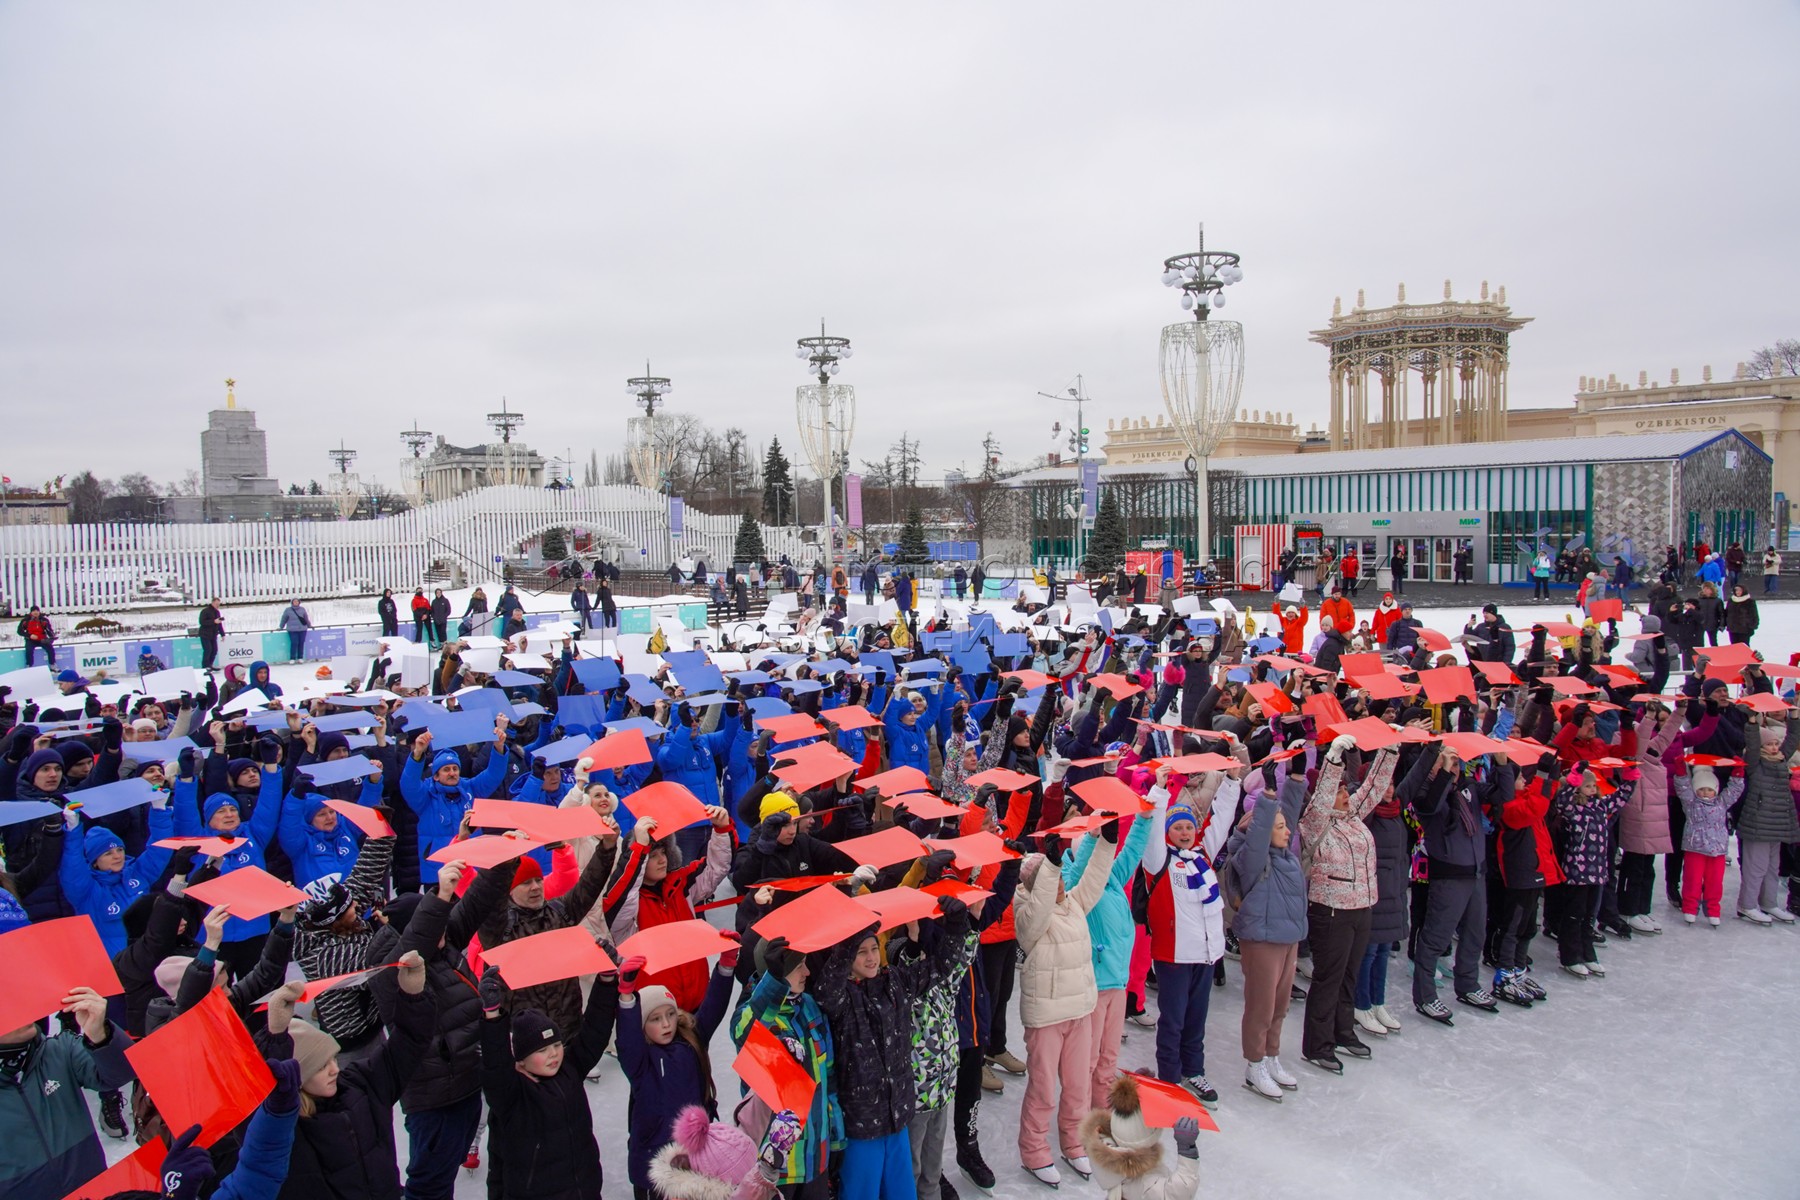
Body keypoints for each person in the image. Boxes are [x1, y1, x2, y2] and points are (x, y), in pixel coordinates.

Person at [814, 898, 975, 1200]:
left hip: (898, 1115)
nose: (871, 958)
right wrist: (848, 943)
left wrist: (956, 925)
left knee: (902, 1193)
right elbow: (825, 993)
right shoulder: (842, 1000)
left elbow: (942, 966)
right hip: (862, 1126)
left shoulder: (896, 983)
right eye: (861, 952)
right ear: (847, 956)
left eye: (874, 949)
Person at [271, 952, 437, 1200]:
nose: (334, 1070)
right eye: (320, 1066)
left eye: (333, 1059)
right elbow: (259, 1126)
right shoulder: (286, 1129)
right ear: (296, 1078)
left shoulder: (360, 1084)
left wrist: (412, 997)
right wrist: (275, 1039)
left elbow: (406, 1048)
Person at [1014, 821, 1117, 1187]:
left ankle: (1074, 1144)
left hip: (1080, 1010)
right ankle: (1034, 1150)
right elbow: (1038, 911)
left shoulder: (1072, 902)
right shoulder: (1027, 913)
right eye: (1051, 879)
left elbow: (1094, 879)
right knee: (1043, 1089)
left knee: (1077, 1087)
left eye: (1058, 878)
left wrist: (1108, 841)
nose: (1059, 885)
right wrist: (1050, 868)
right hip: (1046, 1016)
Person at [1297, 737, 1398, 1075]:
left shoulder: (1353, 816)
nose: (1345, 795)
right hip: (1331, 911)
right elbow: (1325, 795)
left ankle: (1343, 1033)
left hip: (1362, 908)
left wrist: (1390, 749)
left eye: (1344, 791)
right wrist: (1334, 759)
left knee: (1350, 976)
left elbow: (1373, 787)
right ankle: (1317, 1045)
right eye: (1339, 792)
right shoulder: (1315, 823)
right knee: (1329, 978)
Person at [615, 946, 739, 1200]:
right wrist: (626, 997)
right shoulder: (640, 1061)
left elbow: (712, 1007)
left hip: (693, 1157)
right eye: (655, 1018)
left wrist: (726, 966)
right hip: (655, 1162)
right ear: (642, 1024)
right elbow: (627, 1041)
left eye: (670, 1014)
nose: (665, 1024)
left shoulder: (691, 1042)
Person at [1139, 766, 1228, 1105]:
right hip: (1173, 955)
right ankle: (1169, 1078)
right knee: (1173, 1020)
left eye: (1189, 826)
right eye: (1178, 827)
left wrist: (1231, 781)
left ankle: (1195, 1071)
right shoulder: (1159, 860)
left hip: (1205, 955)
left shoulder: (1202, 858)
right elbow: (1150, 832)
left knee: (1196, 1018)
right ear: (1167, 832)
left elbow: (1220, 820)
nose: (1185, 831)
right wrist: (1160, 792)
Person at [0, 984, 135, 1200]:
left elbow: (123, 1074)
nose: (22, 1010)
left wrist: (100, 1034)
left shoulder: (60, 1049)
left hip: (95, 1193)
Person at [1228, 757, 1307, 1102]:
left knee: (1279, 1005)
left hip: (1287, 937)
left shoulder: (1285, 856)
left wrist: (1297, 779)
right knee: (1261, 1006)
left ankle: (1271, 1056)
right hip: (1262, 940)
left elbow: (1283, 819)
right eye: (1279, 828)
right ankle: (1254, 1063)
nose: (1287, 832)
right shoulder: (1251, 858)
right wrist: (1269, 792)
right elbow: (1262, 831)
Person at [1077, 1076, 1201, 1200]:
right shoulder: (1145, 1182)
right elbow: (1177, 1195)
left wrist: (1137, 1090)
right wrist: (1187, 1152)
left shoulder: (1105, 1147)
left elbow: (1128, 1123)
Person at [1731, 712, 1800, 924]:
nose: (1774, 747)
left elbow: (1792, 740)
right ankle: (1747, 905)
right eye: (1769, 744)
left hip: (1777, 823)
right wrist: (1752, 724)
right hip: (1758, 823)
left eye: (1776, 743)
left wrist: (1795, 717)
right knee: (1756, 867)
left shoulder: (1780, 761)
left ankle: (1769, 903)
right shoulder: (1754, 763)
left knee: (1772, 867)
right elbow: (1752, 748)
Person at [199, 597, 226, 669]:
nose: (218, 606)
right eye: (216, 604)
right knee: (208, 650)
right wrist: (213, 621)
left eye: (219, 604)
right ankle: (205, 666)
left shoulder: (217, 612)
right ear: (212, 603)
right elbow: (202, 622)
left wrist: (222, 634)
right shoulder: (205, 611)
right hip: (205, 634)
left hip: (213, 635)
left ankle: (210, 664)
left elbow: (219, 624)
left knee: (214, 650)